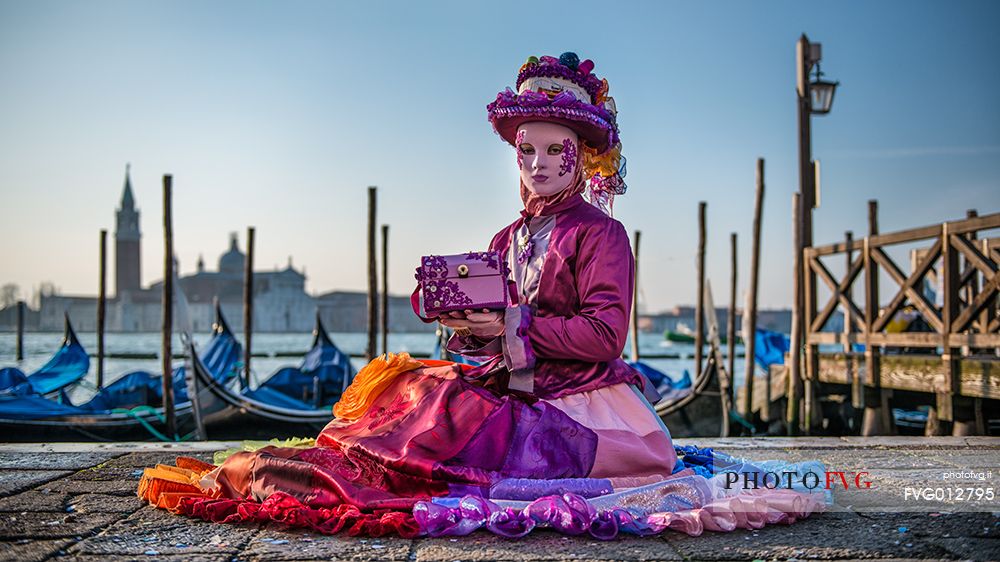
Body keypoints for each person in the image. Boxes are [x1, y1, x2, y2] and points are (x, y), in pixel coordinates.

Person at [137, 52, 828, 540]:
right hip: (510, 385)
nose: (532, 164)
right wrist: (467, 327)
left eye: (548, 151)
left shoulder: (602, 235)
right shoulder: (506, 236)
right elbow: (484, 327)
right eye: (523, 151)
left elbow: (604, 339)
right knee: (401, 389)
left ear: (580, 156)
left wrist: (508, 328)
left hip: (581, 406)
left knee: (438, 414)